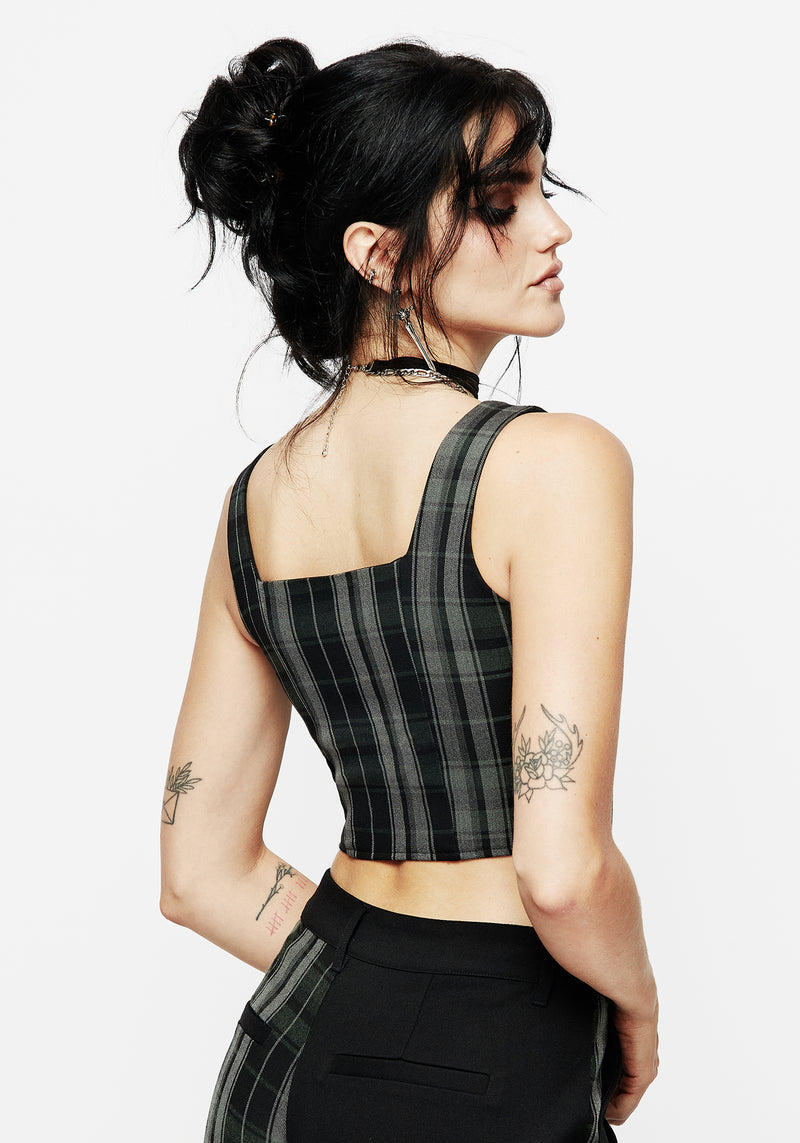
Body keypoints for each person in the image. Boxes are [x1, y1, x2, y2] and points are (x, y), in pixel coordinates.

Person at [160, 37, 658, 1143]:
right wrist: (636, 1006)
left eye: (543, 190)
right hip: (487, 1063)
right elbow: (562, 873)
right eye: (500, 202)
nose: (553, 228)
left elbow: (200, 873)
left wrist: (381, 974)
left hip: (283, 1057)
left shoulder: (256, 502)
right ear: (378, 255)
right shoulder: (554, 464)